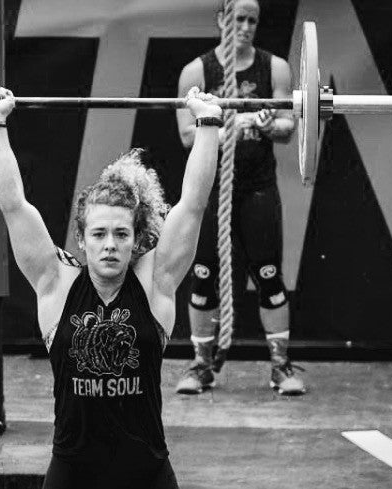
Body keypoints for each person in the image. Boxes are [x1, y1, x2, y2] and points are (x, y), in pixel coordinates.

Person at [0, 86, 220, 489]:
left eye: (121, 234)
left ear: (136, 239)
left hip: (146, 475)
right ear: (81, 238)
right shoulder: (56, 283)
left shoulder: (155, 282)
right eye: (99, 233)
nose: (110, 244)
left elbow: (193, 204)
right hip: (73, 475)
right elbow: (13, 205)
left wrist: (208, 121)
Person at [174, 0, 305, 396]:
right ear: (221, 20)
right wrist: (233, 120)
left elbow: (287, 127)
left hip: (257, 189)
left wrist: (267, 125)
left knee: (269, 275)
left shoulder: (275, 68)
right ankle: (201, 366)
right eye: (237, 19)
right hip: (209, 190)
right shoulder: (196, 72)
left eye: (251, 20)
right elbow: (187, 136)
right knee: (202, 276)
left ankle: (280, 367)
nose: (245, 27)